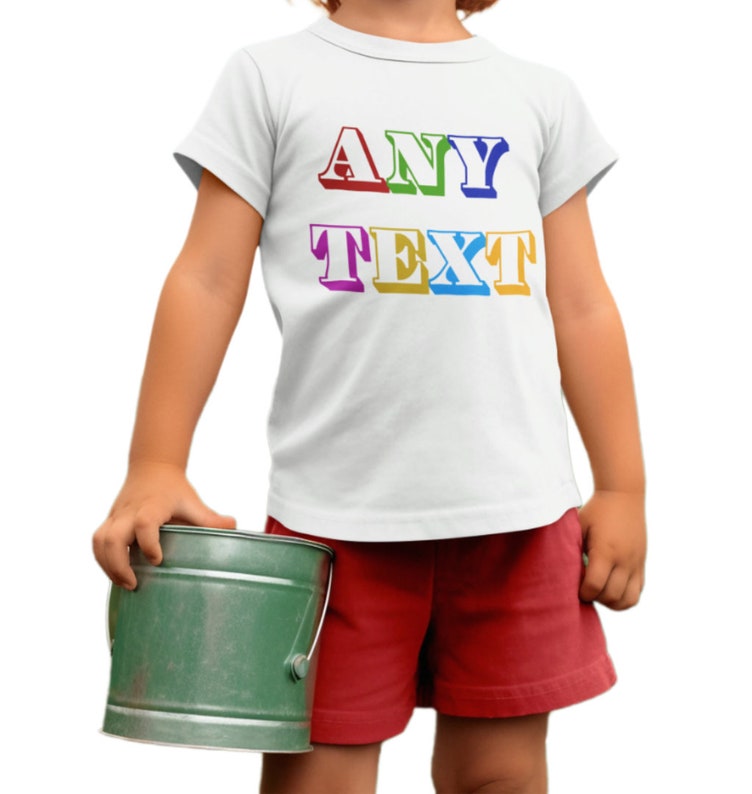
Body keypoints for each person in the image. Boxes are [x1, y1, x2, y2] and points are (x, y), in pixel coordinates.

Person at [93, 0, 647, 791]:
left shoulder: (539, 95)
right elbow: (208, 277)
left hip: (519, 519)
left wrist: (624, 485)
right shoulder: (269, 77)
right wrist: (154, 461)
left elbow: (583, 302)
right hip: (333, 521)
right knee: (318, 779)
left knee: (503, 777)